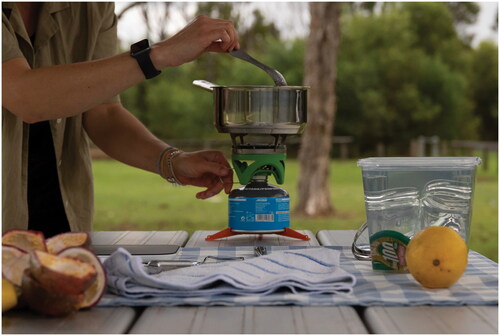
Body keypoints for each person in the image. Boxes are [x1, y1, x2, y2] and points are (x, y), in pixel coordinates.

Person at [2, 2, 238, 237]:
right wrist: (158, 54)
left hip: (63, 229)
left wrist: (173, 161)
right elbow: (24, 95)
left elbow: (104, 112)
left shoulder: (93, 6)